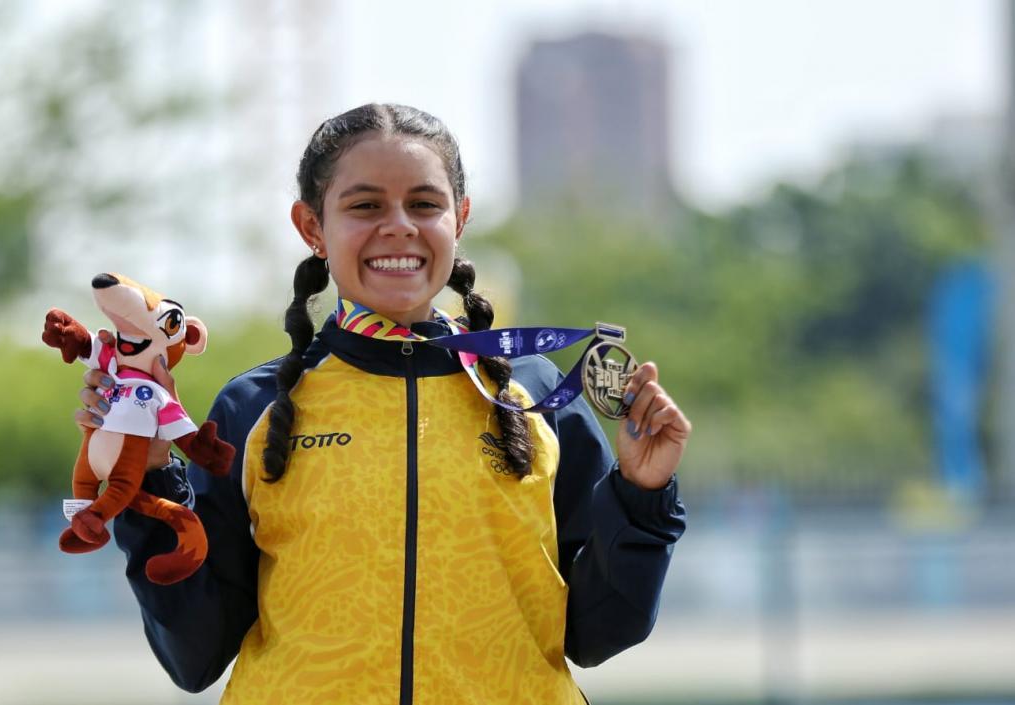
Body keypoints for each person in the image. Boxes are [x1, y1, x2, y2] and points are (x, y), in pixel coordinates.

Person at [72, 103, 691, 705]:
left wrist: (640, 496)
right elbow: (194, 655)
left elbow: (599, 634)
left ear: (460, 218)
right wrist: (148, 473)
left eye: (424, 204)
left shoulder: (535, 396)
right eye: (365, 205)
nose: (398, 226)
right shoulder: (254, 407)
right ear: (312, 227)